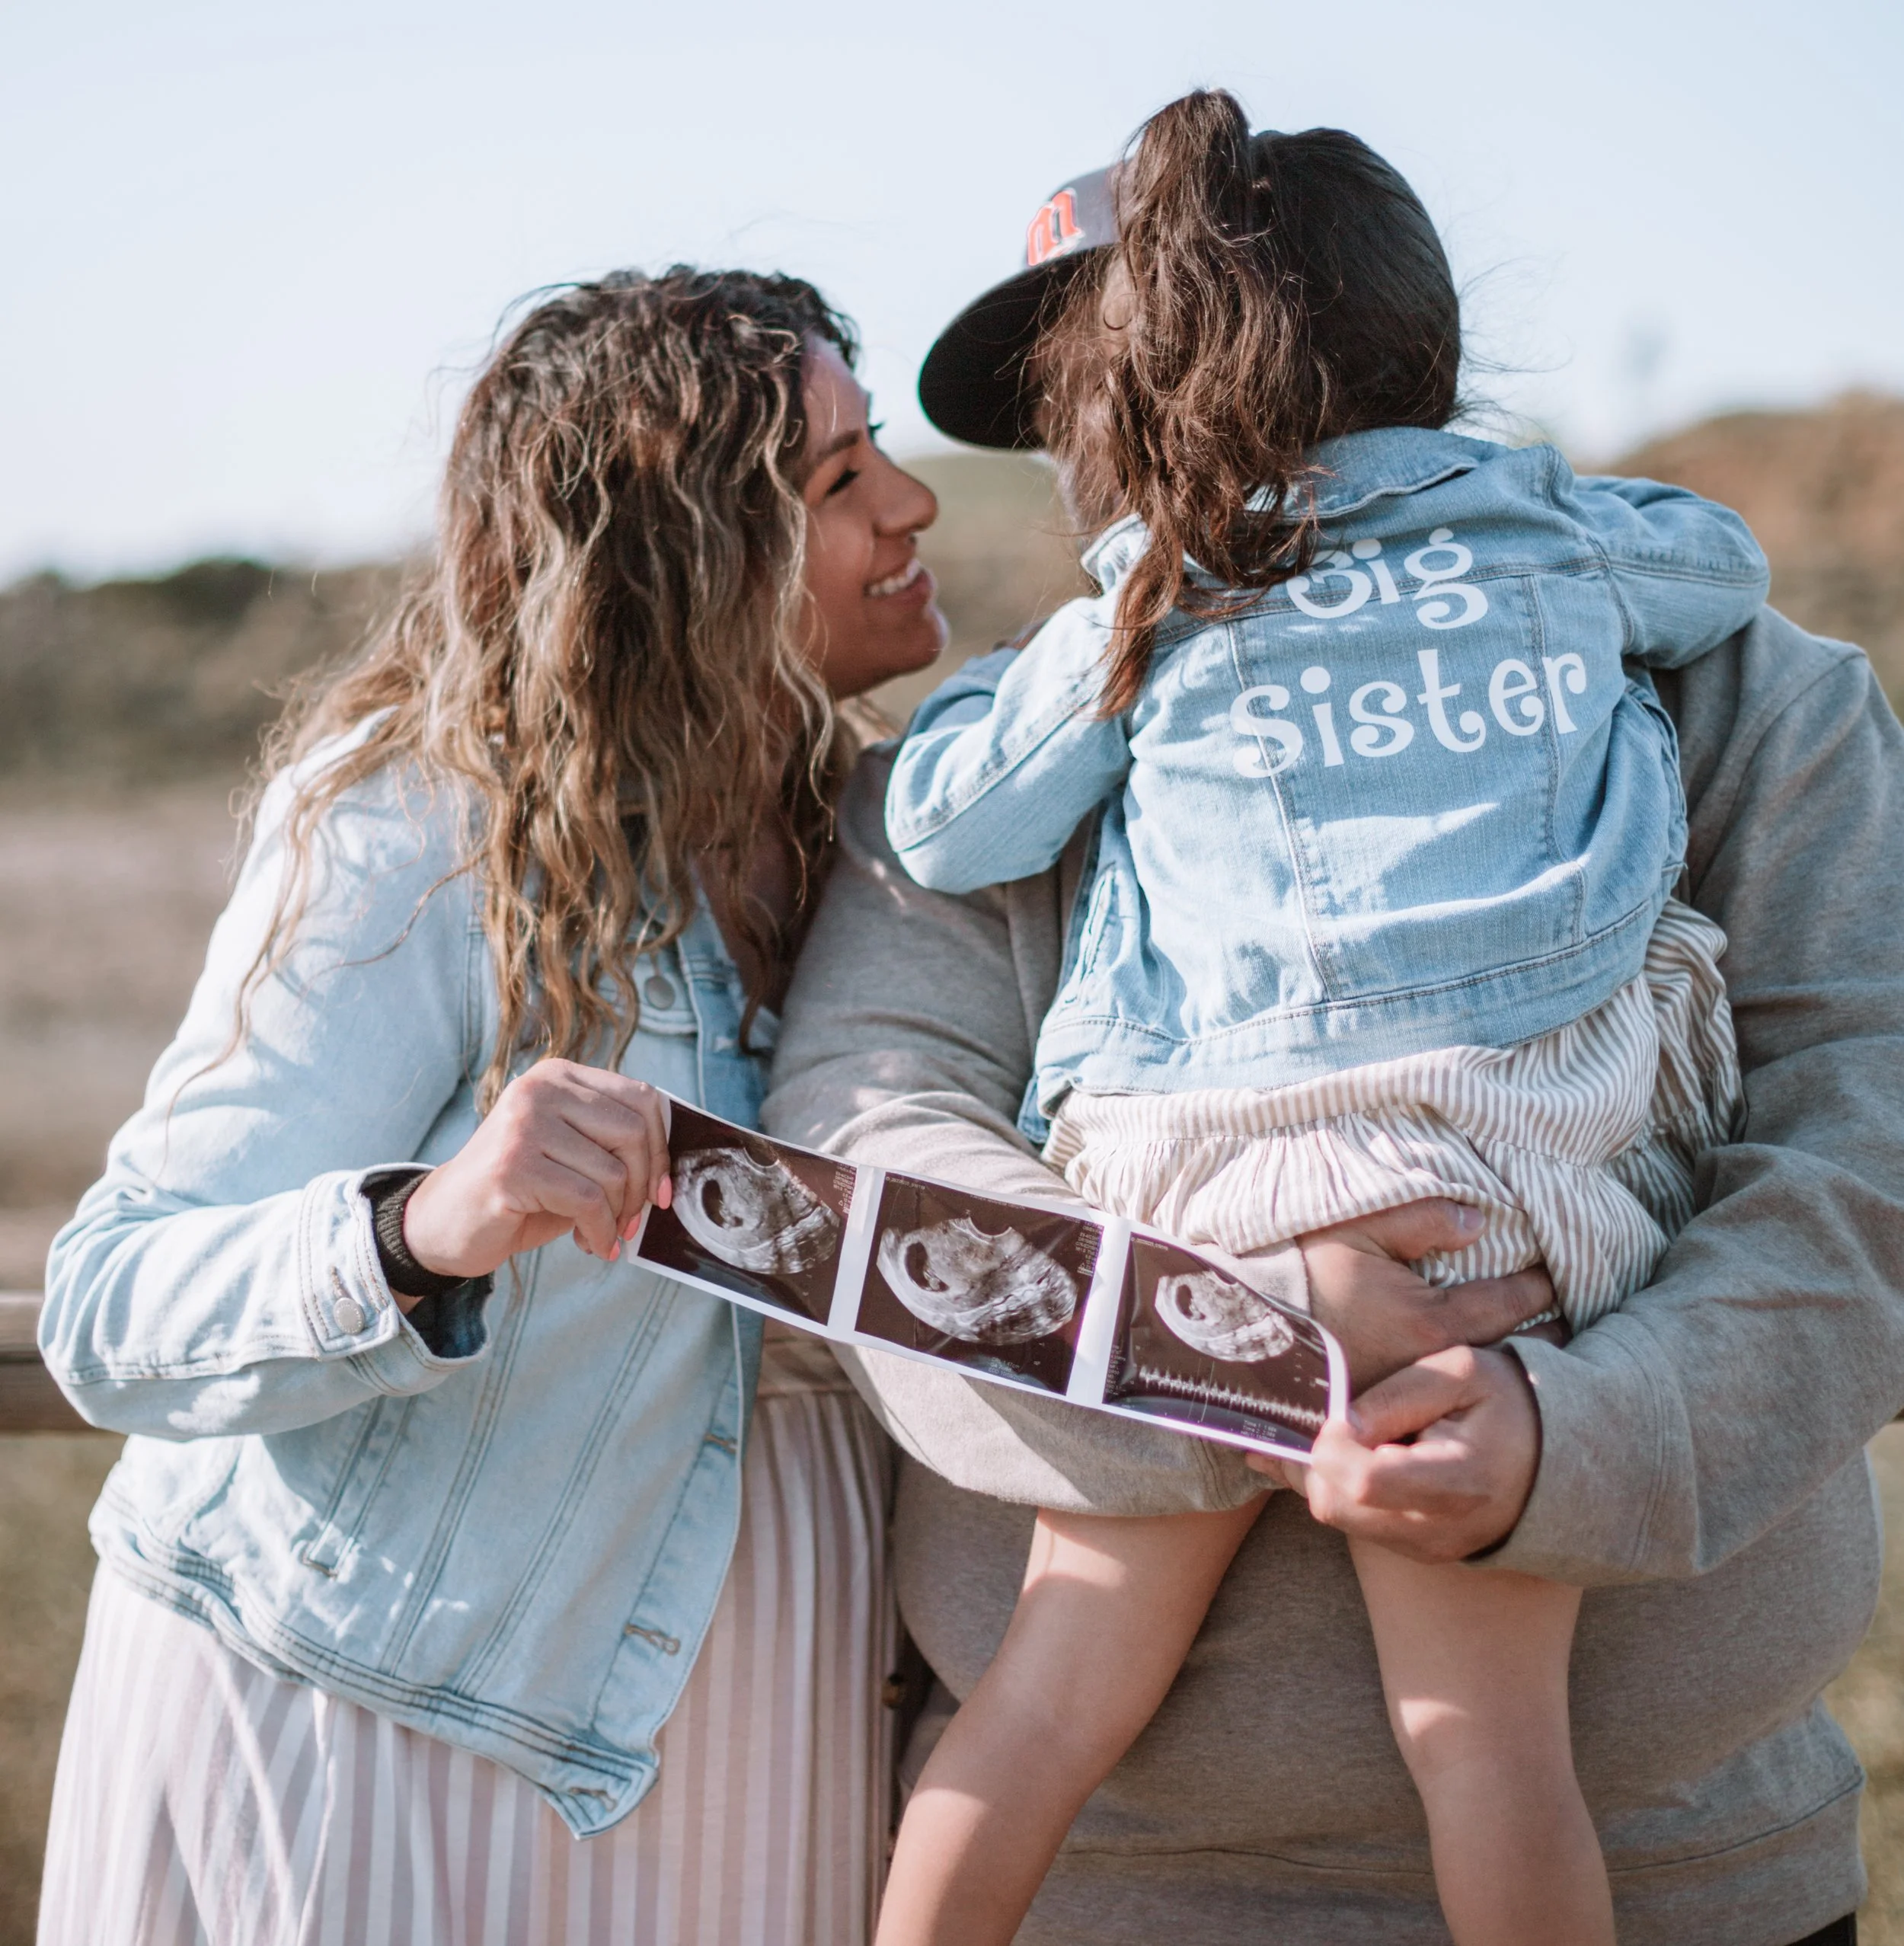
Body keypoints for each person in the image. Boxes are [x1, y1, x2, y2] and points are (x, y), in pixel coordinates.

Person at [763, 155, 1904, 1946]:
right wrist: (1220, 1331)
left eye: (1071, 393)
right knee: (1484, 1739)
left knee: (1062, 1706)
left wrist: (1576, 1437)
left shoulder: (1759, 701)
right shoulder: (1058, 703)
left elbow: (1872, 1143)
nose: (1066, 458)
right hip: (1129, 1899)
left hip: (1705, 1871)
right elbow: (866, 1138)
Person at [36, 267, 945, 1946]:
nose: (911, 501)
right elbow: (105, 1311)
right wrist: (427, 1224)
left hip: (747, 1718)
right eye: (833, 481)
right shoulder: (422, 827)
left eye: (872, 446)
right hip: (369, 1719)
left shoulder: (901, 836)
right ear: (683, 561)